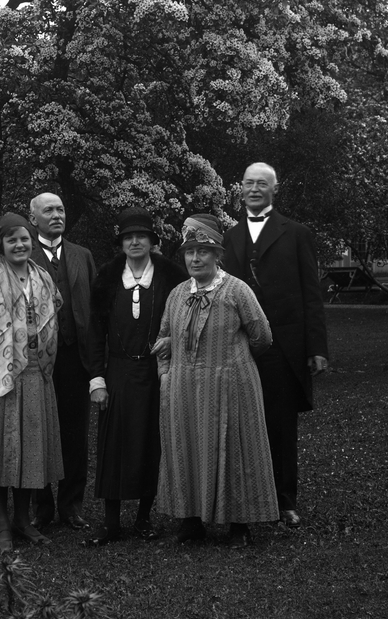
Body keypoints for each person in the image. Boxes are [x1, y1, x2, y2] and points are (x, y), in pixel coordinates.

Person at [152, 214, 277, 547]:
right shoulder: (178, 294)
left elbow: (262, 336)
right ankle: (191, 520)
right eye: (190, 252)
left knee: (233, 449)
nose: (195, 258)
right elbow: (163, 337)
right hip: (184, 388)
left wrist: (233, 362)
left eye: (203, 251)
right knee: (187, 448)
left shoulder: (237, 290)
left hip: (230, 386)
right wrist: (166, 375)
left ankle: (239, 524)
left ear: (217, 254)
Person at [222, 162, 329, 528]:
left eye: (262, 184)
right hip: (239, 345)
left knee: (281, 426)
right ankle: (247, 500)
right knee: (241, 424)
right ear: (240, 189)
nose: (254, 189)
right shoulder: (229, 237)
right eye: (249, 183)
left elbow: (312, 295)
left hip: (283, 347)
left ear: (274, 189)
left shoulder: (297, 233)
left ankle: (285, 501)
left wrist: (316, 347)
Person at [0, 212, 64, 552]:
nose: (19, 245)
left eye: (24, 239)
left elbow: (54, 317)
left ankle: (22, 519)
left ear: (31, 241)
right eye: (11, 240)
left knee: (30, 447)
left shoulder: (43, 278)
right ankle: (2, 521)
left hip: (36, 374)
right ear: (1, 245)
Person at [87, 207, 188, 545]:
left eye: (141, 236)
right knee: (113, 444)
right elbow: (94, 332)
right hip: (117, 371)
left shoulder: (171, 276)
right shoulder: (107, 277)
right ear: (121, 242)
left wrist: (172, 340)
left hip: (157, 371)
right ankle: (111, 522)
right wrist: (97, 380)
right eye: (128, 237)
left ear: (152, 241)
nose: (134, 242)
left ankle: (144, 518)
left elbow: (185, 319)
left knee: (150, 443)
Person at [27, 192, 102, 531]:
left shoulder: (82, 255)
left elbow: (95, 309)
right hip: (38, 361)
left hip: (76, 358)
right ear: (34, 219)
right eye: (48, 210)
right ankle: (41, 507)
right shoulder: (23, 254)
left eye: (60, 209)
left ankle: (71, 505)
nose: (57, 215)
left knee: (75, 433)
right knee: (38, 431)